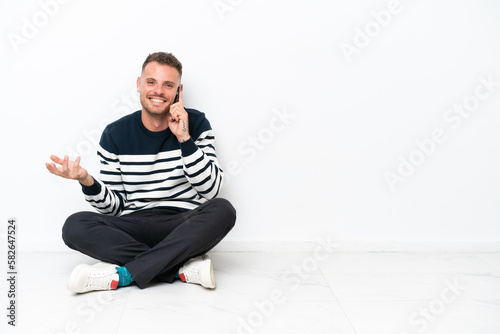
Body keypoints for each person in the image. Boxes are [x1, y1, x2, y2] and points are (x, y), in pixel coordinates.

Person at [46, 52, 236, 293]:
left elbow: (211, 190)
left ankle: (125, 275)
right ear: (139, 84)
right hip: (134, 225)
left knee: (223, 210)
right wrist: (87, 180)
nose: (158, 91)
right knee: (74, 226)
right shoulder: (115, 134)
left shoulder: (196, 124)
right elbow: (115, 207)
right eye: (151, 82)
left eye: (168, 85)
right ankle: (178, 268)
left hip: (182, 225)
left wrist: (185, 138)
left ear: (179, 90)